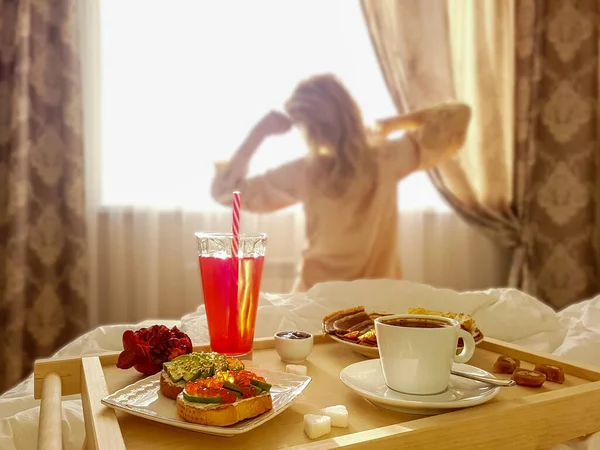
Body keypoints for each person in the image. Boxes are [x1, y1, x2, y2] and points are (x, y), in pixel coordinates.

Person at [211, 74, 471, 292]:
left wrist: (259, 133)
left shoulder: (306, 171)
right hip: (377, 304)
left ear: (309, 128)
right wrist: (392, 125)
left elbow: (225, 193)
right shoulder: (386, 157)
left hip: (317, 301)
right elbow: (459, 115)